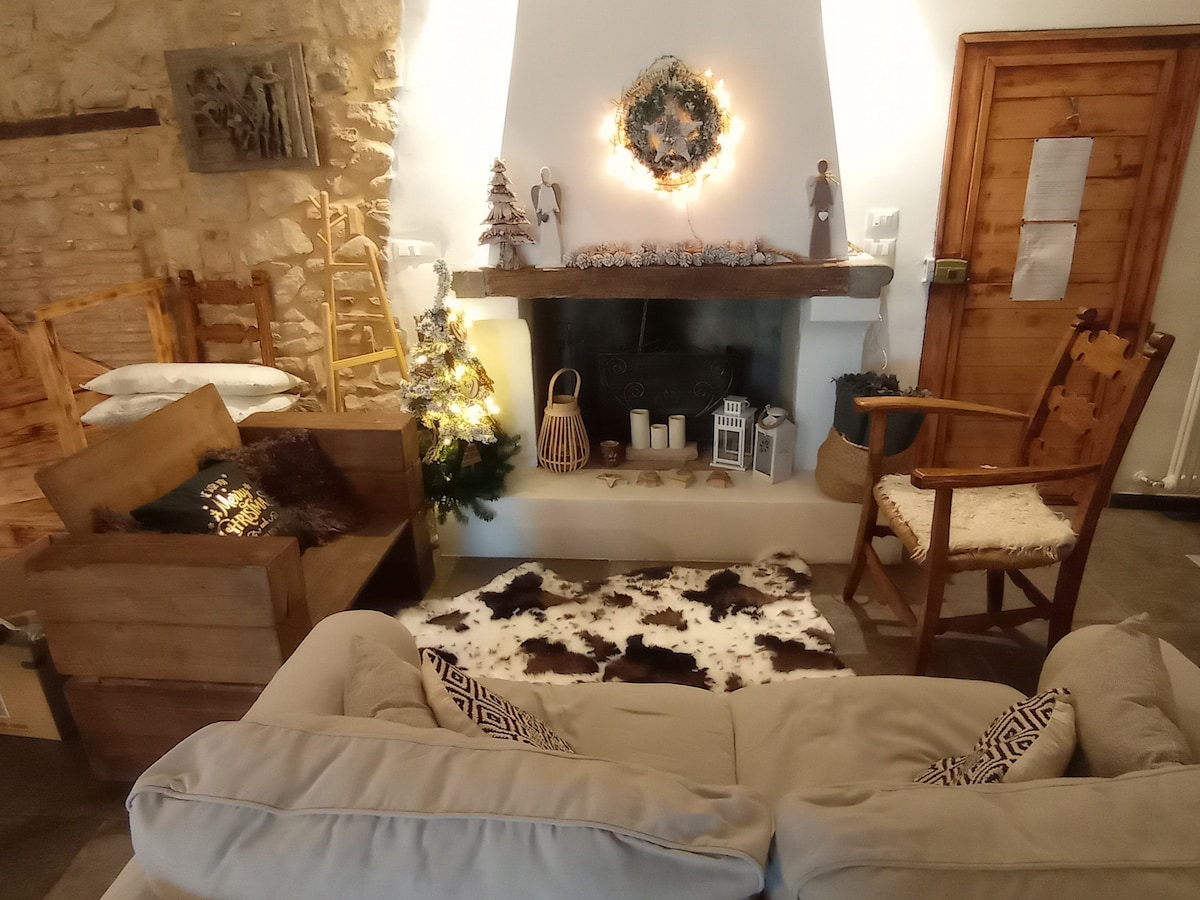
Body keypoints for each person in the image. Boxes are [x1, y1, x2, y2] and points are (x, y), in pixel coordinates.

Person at [530, 167, 564, 268]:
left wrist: (556, 208)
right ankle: (546, 258)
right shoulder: (541, 189)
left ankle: (555, 258)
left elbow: (553, 201)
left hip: (551, 216)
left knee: (553, 236)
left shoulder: (550, 189)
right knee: (546, 237)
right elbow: (540, 202)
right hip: (545, 216)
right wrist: (540, 210)